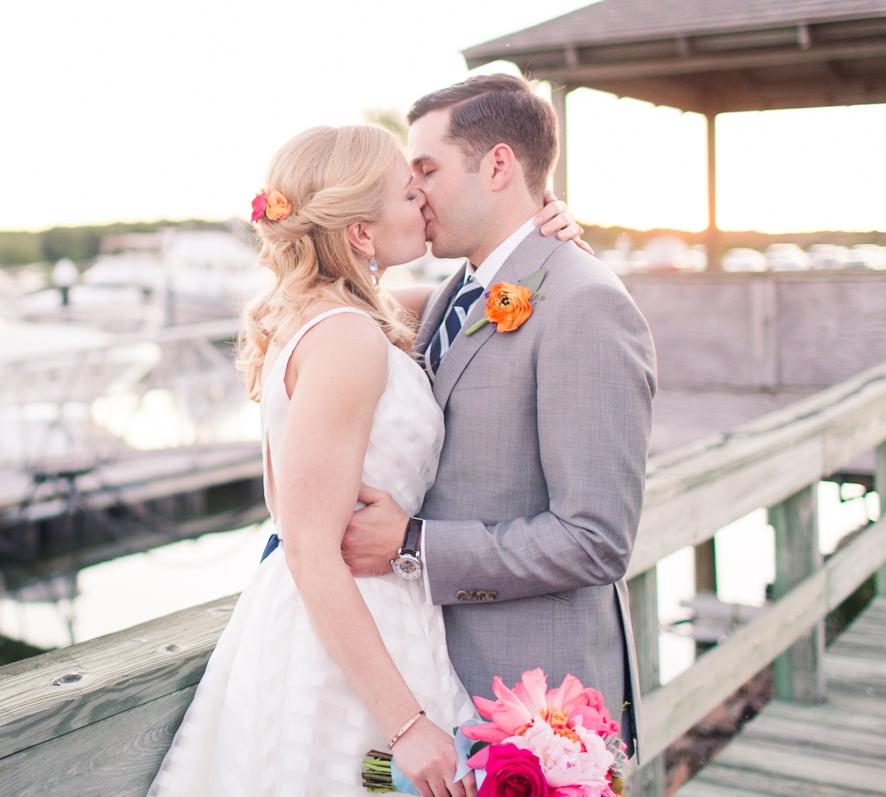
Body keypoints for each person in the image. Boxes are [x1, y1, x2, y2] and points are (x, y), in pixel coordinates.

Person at [150, 113, 593, 797]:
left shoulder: (347, 314)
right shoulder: (348, 338)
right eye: (407, 190)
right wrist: (407, 721)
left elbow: (476, 301)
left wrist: (541, 236)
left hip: (381, 609)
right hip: (348, 635)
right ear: (361, 231)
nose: (423, 198)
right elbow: (309, 548)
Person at [342, 73, 656, 754]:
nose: (415, 190)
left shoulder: (584, 303)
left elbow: (596, 537)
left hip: (541, 711)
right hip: (447, 686)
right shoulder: (459, 290)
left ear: (499, 165)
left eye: (426, 168)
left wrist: (414, 544)